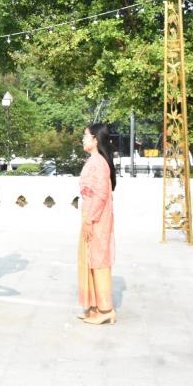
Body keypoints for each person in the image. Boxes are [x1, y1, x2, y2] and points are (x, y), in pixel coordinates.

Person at [77, 122, 116, 325]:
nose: (83, 140)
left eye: (86, 136)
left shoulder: (99, 163)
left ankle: (105, 309)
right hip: (90, 216)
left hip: (97, 219)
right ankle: (93, 306)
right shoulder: (94, 160)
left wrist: (90, 220)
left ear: (95, 139)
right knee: (89, 261)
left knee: (99, 262)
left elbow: (100, 195)